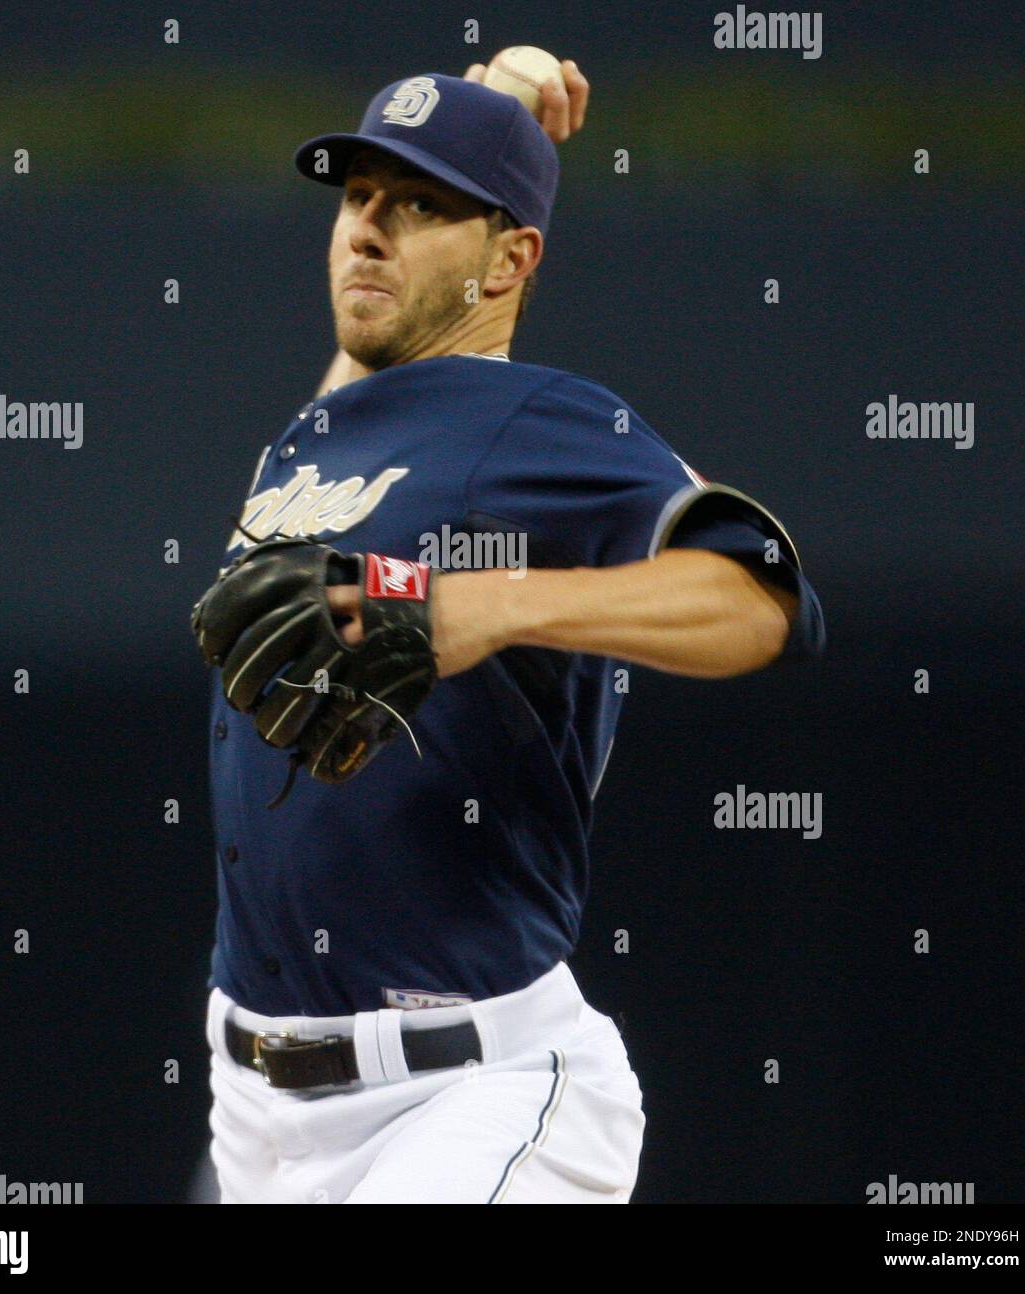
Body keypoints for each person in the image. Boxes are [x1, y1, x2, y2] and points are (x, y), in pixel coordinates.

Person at [197, 61, 825, 1204]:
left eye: (422, 205)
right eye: (358, 197)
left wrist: (485, 606)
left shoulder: (541, 420)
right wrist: (491, 114)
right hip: (254, 1110)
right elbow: (371, 395)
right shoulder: (313, 438)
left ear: (511, 259)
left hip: (471, 1092)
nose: (369, 231)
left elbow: (765, 595)